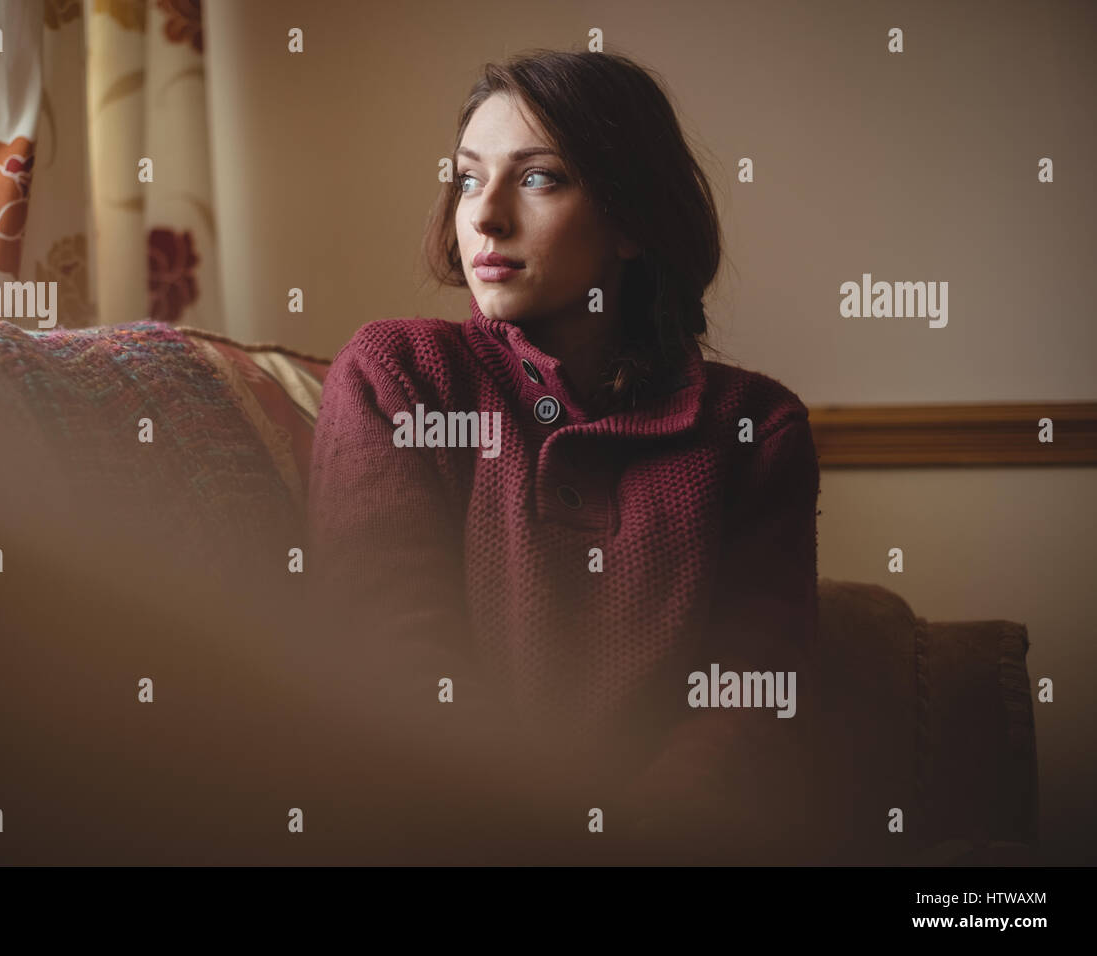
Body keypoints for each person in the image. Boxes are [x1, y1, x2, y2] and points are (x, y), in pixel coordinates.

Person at [305, 49, 831, 863]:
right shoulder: (399, 373)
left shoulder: (755, 426)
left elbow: (747, 701)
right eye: (469, 179)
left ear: (630, 219)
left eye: (540, 178)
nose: (485, 217)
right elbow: (394, 662)